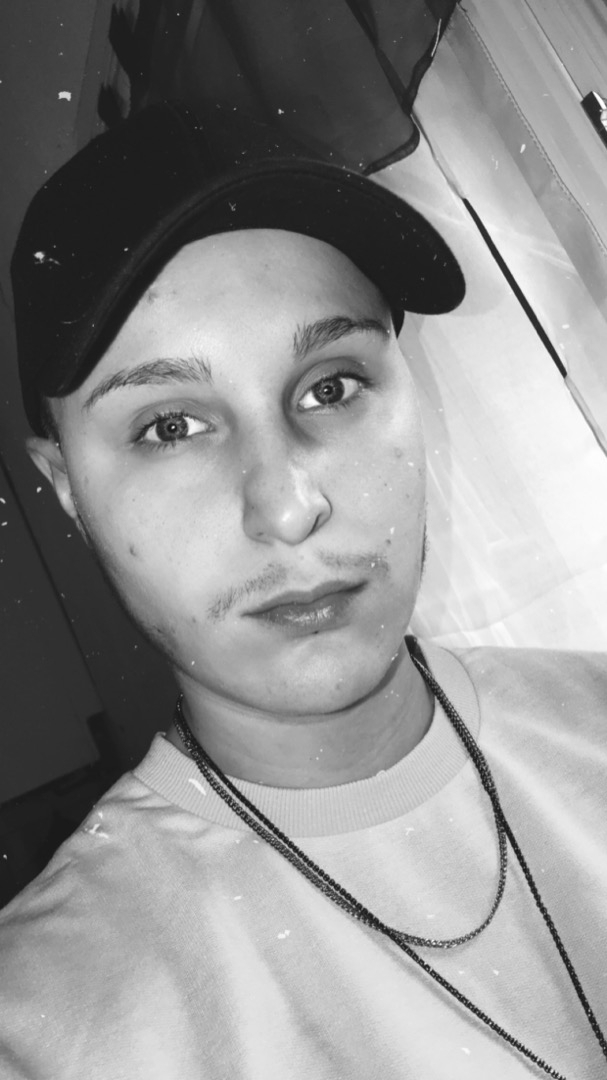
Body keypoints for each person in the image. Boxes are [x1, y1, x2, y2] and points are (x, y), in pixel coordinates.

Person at [1, 100, 606, 1080]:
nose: (287, 508)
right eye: (169, 427)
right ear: (68, 491)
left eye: (330, 387)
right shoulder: (44, 1023)